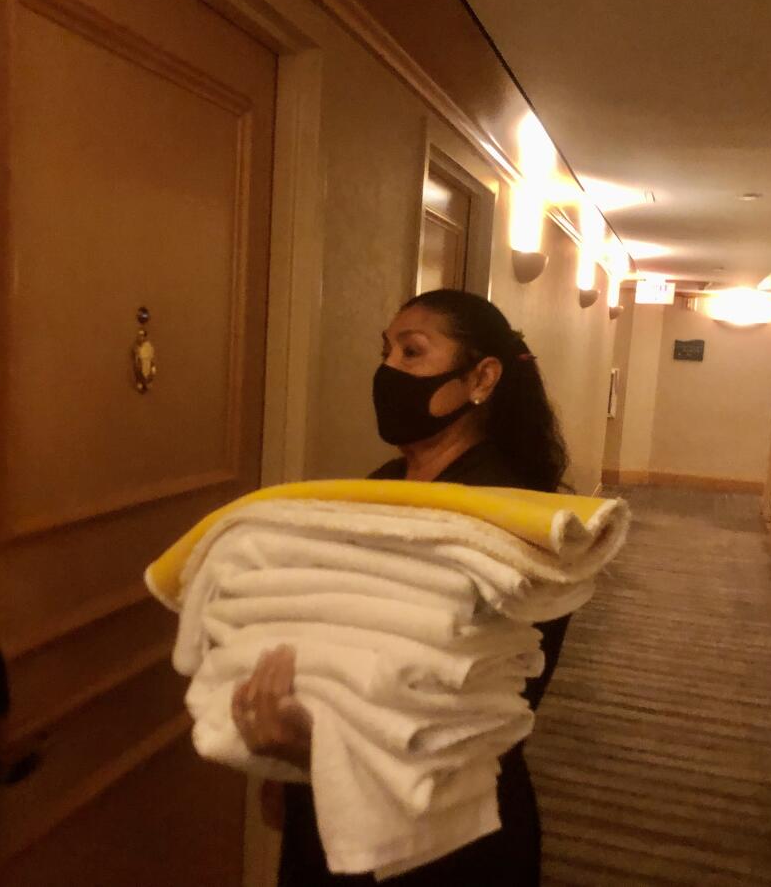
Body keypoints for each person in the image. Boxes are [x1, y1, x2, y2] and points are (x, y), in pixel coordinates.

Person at [231, 289, 573, 886]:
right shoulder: (386, 483)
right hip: (334, 793)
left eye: (412, 353)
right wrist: (291, 771)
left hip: (440, 830)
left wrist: (306, 750)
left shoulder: (511, 520)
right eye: (385, 352)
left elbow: (455, 711)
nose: (387, 372)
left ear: (482, 378)